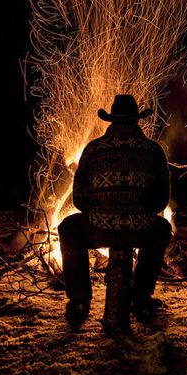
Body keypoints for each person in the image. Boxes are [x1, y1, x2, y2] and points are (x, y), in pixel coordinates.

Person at [58, 94, 171, 325]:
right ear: (137, 120)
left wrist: (100, 214)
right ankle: (140, 296)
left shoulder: (92, 150)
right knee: (162, 229)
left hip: (99, 228)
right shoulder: (154, 151)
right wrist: (138, 214)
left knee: (68, 229)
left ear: (111, 120)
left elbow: (79, 199)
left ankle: (79, 300)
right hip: (142, 230)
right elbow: (161, 202)